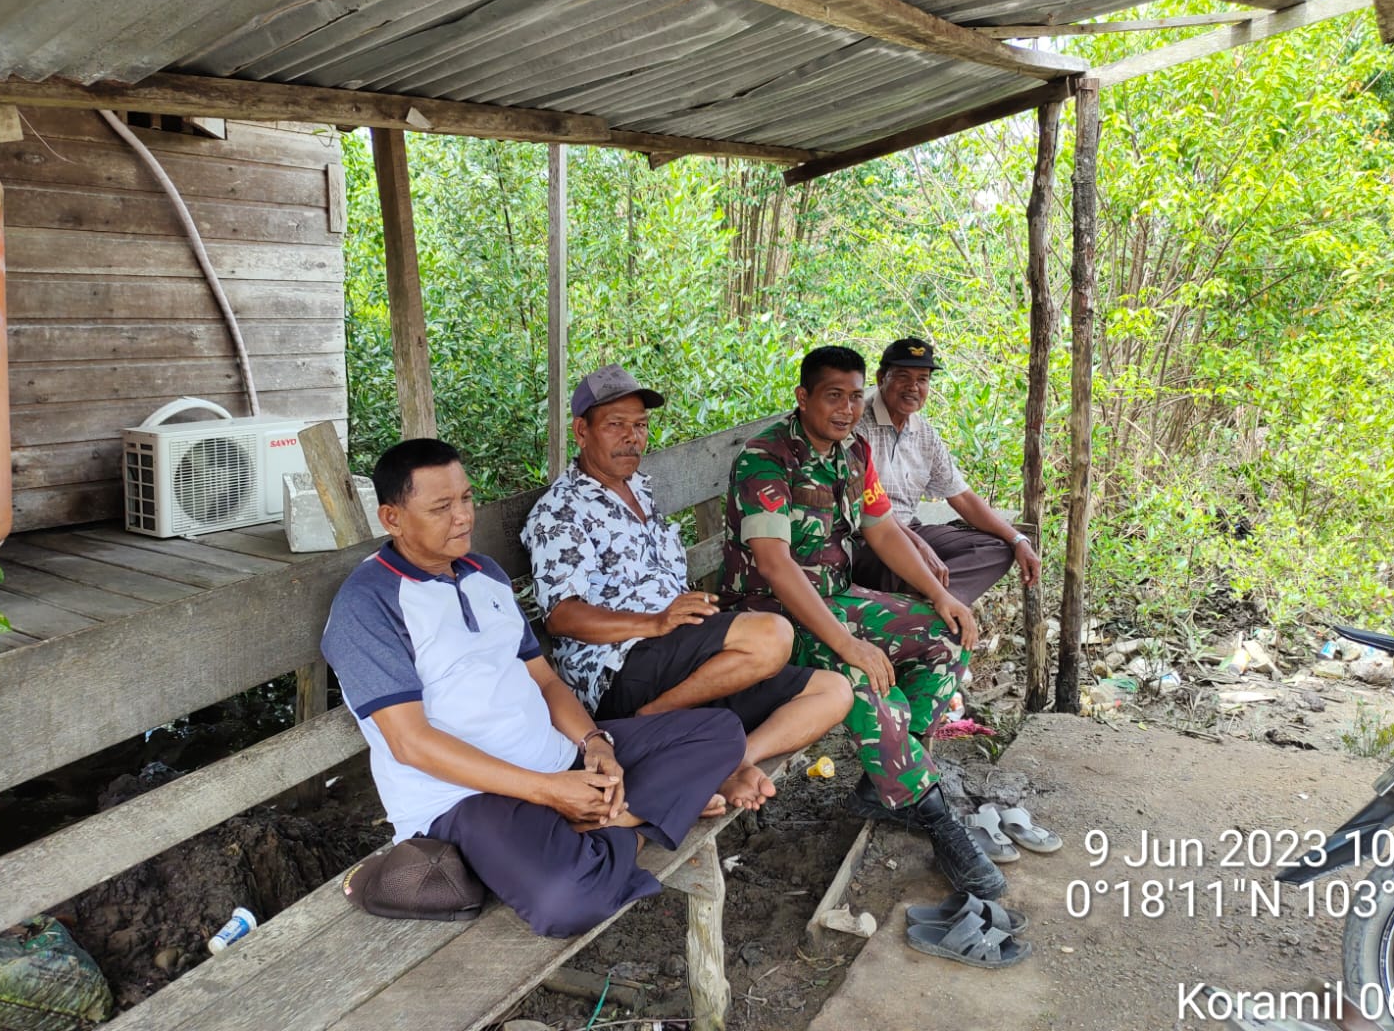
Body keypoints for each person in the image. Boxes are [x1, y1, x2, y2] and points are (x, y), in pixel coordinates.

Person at [321, 438, 745, 938]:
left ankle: (604, 825)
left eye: (466, 499)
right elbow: (410, 742)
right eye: (441, 507)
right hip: (467, 796)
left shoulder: (486, 574)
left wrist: (595, 744)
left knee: (720, 732)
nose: (462, 518)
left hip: (556, 757)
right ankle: (632, 823)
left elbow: (543, 678)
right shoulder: (368, 604)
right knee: (565, 902)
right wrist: (549, 792)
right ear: (392, 518)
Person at [718, 346, 1007, 900]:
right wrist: (849, 644)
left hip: (837, 598)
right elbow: (776, 565)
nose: (848, 409)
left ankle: (887, 785)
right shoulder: (767, 459)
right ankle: (933, 815)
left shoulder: (852, 453)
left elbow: (883, 530)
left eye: (854, 396)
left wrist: (939, 594)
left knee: (947, 634)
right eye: (833, 396)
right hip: (772, 620)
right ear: (803, 397)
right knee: (864, 682)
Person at [523, 365, 853, 812]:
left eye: (640, 425)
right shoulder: (561, 510)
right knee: (772, 635)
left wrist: (684, 623)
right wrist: (655, 624)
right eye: (616, 425)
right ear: (582, 431)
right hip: (621, 669)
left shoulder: (640, 491)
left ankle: (733, 760)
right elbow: (562, 616)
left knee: (834, 691)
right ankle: (645, 725)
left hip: (681, 661)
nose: (632, 437)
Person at [853, 337, 1041, 606]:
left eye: (922, 379)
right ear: (881, 377)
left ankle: (930, 605)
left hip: (909, 527)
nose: (913, 387)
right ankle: (930, 600)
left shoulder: (924, 434)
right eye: (903, 376)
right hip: (867, 536)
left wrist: (1017, 538)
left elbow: (962, 497)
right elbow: (862, 511)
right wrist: (916, 545)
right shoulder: (859, 426)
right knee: (905, 560)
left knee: (996, 549)